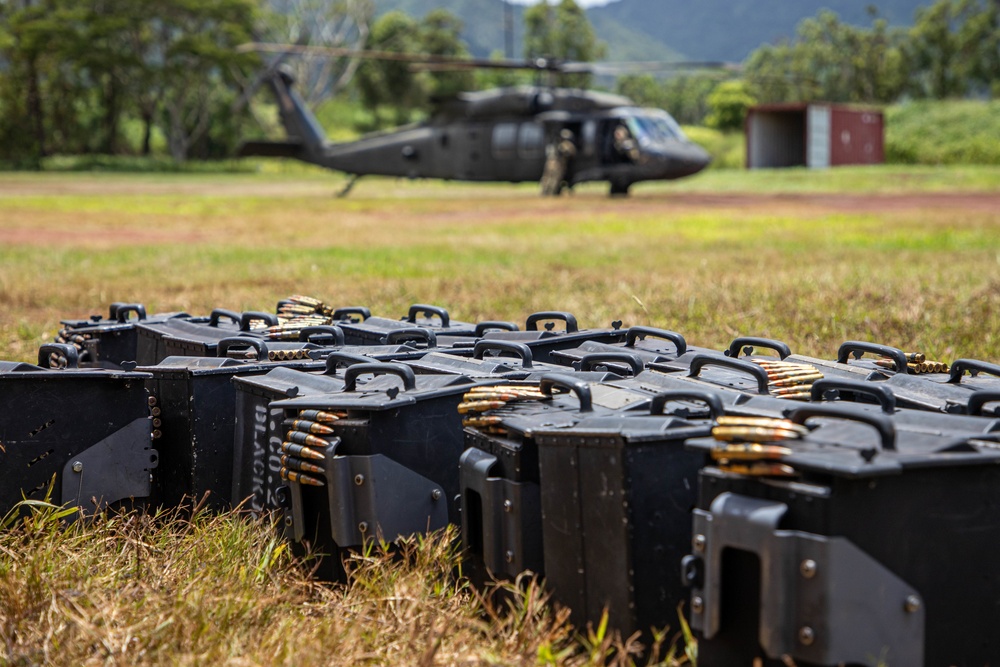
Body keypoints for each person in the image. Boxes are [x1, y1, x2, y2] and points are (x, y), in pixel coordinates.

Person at [540, 129, 577, 196]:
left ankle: (546, 193)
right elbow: (571, 153)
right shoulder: (565, 145)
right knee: (553, 179)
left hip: (550, 163)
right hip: (557, 164)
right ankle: (550, 193)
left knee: (548, 178)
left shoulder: (557, 144)